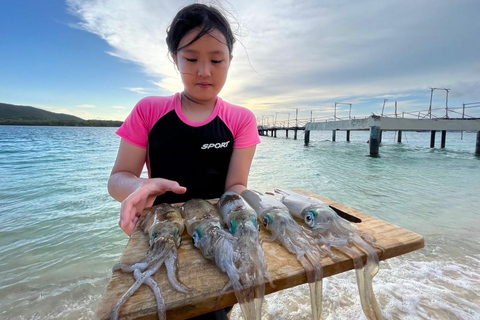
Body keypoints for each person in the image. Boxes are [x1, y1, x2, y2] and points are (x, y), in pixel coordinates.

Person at [107, 3, 260, 320]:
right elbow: (118, 179)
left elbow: (235, 188)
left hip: (217, 241)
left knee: (216, 312)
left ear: (230, 60)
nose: (204, 71)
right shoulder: (148, 110)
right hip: (163, 237)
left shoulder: (241, 119)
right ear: (174, 58)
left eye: (216, 60)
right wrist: (143, 185)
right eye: (191, 59)